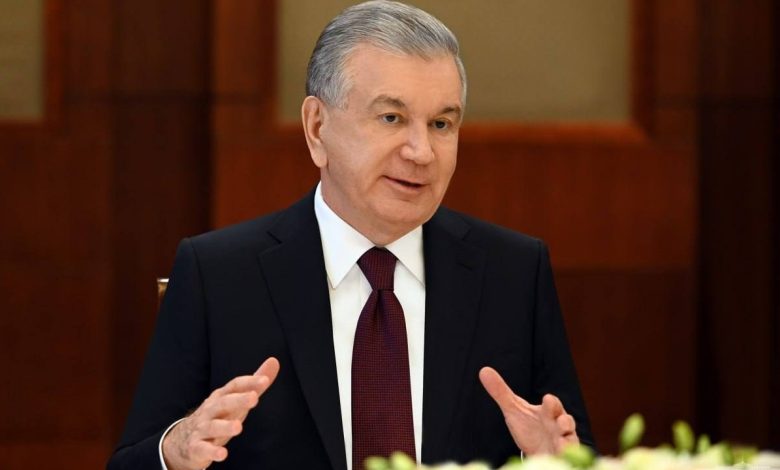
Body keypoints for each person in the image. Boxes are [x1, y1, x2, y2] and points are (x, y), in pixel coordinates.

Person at [107, 1, 594, 469]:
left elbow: (570, 448)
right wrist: (177, 451)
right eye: (391, 118)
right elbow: (134, 461)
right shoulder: (219, 274)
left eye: (441, 123)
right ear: (317, 127)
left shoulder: (513, 272)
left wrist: (548, 463)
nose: (422, 151)